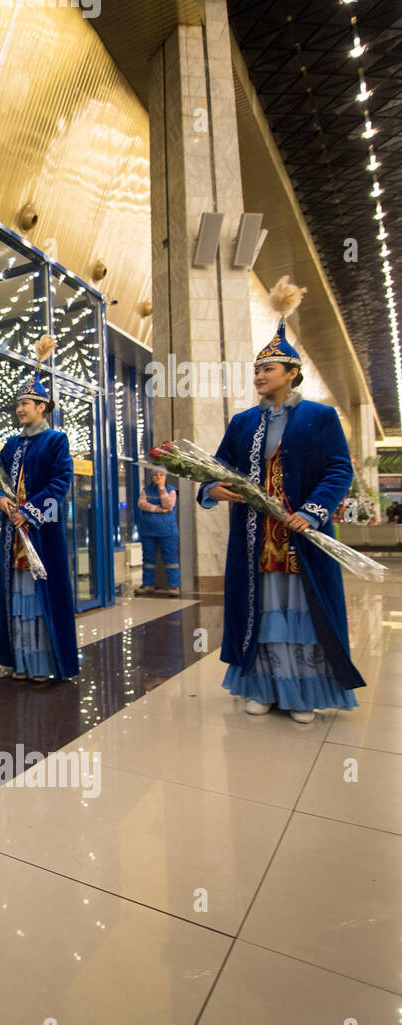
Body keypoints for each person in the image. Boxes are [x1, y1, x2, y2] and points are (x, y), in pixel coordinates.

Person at [198, 276, 365, 723]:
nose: (259, 375)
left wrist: (312, 512)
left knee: (303, 611)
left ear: (293, 373)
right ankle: (264, 687)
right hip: (254, 539)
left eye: (267, 369)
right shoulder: (242, 422)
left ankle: (303, 693)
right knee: (262, 609)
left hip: (301, 537)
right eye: (256, 369)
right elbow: (216, 469)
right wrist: (212, 489)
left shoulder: (320, 417)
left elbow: (338, 470)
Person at [0, 336, 80, 682]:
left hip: (42, 533)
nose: (20, 409)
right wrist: (0, 499)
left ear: (43, 407)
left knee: (41, 599)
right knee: (16, 599)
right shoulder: (11, 444)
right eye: (18, 403)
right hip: (12, 533)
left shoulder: (56, 440)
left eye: (27, 403)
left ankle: (42, 664)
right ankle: (19, 661)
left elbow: (61, 483)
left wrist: (32, 511)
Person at [135, 464, 180, 596]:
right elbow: (142, 504)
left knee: (170, 558)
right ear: (152, 476)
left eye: (161, 475)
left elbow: (168, 504)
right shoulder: (146, 490)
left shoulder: (171, 490)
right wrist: (159, 509)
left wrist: (161, 489)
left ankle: (174, 586)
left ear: (165, 477)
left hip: (168, 532)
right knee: (148, 559)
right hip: (148, 531)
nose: (158, 477)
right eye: (156, 475)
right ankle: (147, 585)